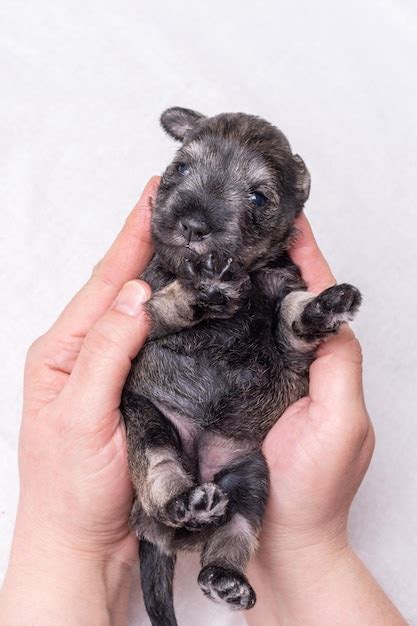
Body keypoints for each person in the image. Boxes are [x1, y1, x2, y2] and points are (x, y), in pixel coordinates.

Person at [0, 177, 407, 626]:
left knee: (249, 481)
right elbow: (156, 314)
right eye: (185, 175)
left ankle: (225, 564)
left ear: (291, 204)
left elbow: (288, 332)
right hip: (164, 417)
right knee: (147, 429)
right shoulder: (168, 266)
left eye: (254, 197)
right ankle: (170, 494)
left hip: (242, 446)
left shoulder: (277, 271)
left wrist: (308, 315)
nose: (202, 214)